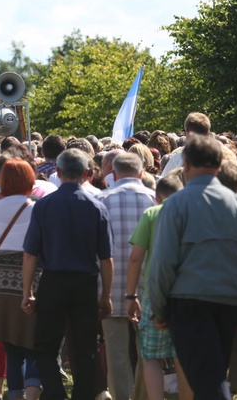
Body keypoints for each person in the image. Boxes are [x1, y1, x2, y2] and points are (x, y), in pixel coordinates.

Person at [148, 136, 237, 400]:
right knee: (211, 375)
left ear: (185, 165)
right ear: (219, 166)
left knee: (207, 380)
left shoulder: (176, 204)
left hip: (189, 303)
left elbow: (163, 262)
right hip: (231, 302)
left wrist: (159, 308)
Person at [22, 148, 114, 400]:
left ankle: (54, 393)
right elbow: (106, 259)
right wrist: (106, 295)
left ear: (58, 172)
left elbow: (30, 254)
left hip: (53, 282)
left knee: (45, 347)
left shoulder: (43, 206)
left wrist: (27, 290)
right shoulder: (97, 206)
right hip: (84, 284)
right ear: (87, 173)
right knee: (85, 350)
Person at [0, 158, 41, 400]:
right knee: (35, 343)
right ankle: (33, 392)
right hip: (29, 282)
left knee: (11, 347)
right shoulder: (37, 208)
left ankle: (14, 394)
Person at [125, 175, 191, 400]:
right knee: (182, 354)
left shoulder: (151, 214)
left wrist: (130, 294)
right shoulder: (189, 215)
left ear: (157, 196)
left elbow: (136, 258)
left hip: (154, 293)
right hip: (185, 292)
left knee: (151, 356)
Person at [95, 153, 156, 400]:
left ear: (114, 173)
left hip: (110, 287)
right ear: (141, 173)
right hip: (149, 287)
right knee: (148, 353)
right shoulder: (154, 199)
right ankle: (142, 396)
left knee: (116, 352)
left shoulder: (101, 200)